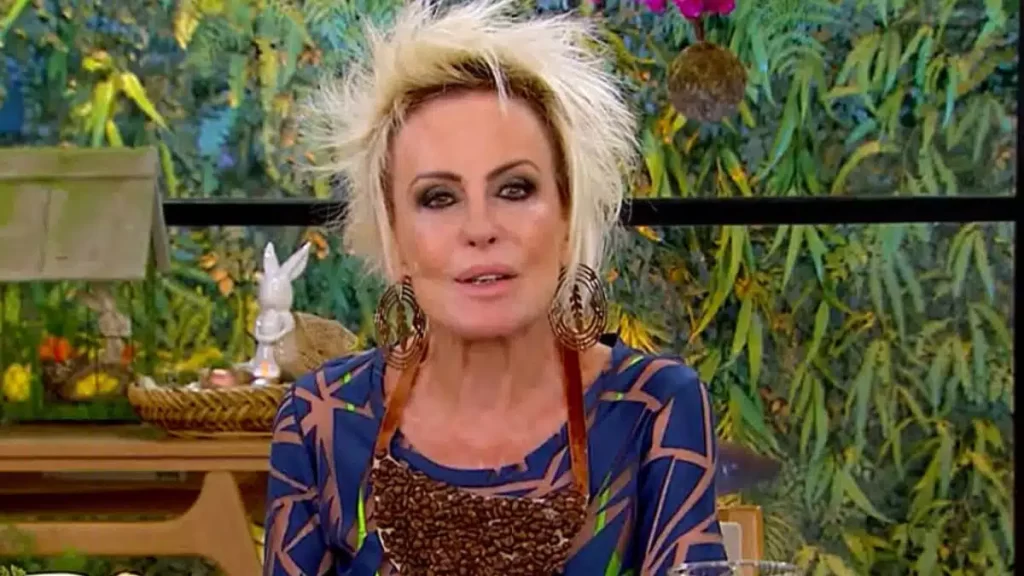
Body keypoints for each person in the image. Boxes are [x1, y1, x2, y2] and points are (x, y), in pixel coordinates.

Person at [263, 0, 727, 574]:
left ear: (567, 219)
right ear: (394, 239)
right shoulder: (320, 419)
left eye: (514, 189)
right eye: (438, 198)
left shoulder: (653, 408)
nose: (480, 229)